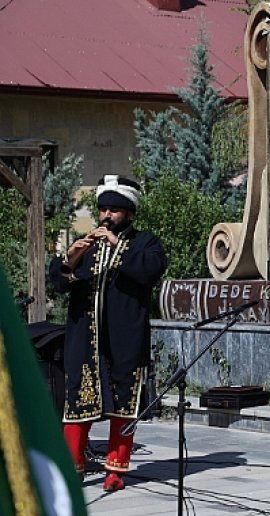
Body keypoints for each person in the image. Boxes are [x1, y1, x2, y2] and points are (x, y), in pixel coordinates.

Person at [49, 175, 167, 492]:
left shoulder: (145, 244)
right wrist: (72, 255)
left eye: (114, 210)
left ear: (129, 213)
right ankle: (71, 468)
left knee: (123, 407)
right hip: (84, 343)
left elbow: (150, 271)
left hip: (125, 343)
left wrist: (118, 246)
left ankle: (115, 471)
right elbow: (58, 283)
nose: (106, 216)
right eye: (103, 209)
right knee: (76, 405)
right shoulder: (86, 246)